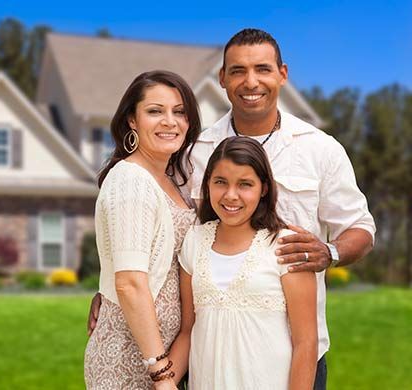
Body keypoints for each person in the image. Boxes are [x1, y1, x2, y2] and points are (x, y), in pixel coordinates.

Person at [88, 28, 376, 389]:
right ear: (222, 79)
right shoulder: (194, 151)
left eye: (263, 69)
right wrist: (114, 288)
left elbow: (361, 228)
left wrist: (328, 252)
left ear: (282, 74)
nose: (250, 81)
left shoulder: (321, 149)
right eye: (238, 70)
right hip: (207, 351)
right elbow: (157, 226)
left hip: (299, 352)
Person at [83, 70, 200, 390]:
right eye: (154, 111)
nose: (170, 121)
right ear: (132, 120)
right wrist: (161, 375)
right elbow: (130, 283)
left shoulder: (175, 181)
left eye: (179, 112)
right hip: (131, 357)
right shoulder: (130, 180)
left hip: (164, 357)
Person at [178, 136, 317, 389]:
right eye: (220, 182)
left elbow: (306, 343)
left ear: (263, 188)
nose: (231, 196)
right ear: (207, 184)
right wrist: (162, 381)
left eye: (245, 184)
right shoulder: (194, 241)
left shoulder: (287, 246)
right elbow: (188, 330)